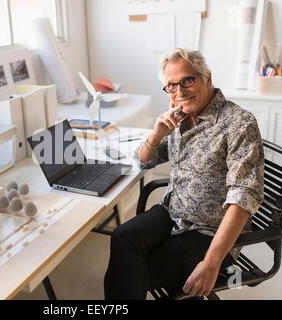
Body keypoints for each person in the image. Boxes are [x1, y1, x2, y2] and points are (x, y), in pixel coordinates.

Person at [104, 48, 264, 300]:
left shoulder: (239, 123)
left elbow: (244, 195)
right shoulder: (181, 117)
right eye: (171, 86)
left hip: (208, 230)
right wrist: (156, 134)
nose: (180, 92)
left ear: (207, 78)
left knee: (136, 269)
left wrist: (211, 262)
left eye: (187, 80)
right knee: (122, 237)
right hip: (173, 211)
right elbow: (144, 161)